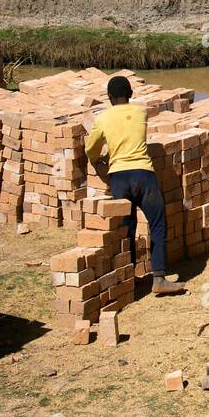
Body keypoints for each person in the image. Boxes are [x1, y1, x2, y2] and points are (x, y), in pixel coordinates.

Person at [84, 76, 185, 295]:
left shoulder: (102, 118)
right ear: (130, 94)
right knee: (157, 224)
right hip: (144, 174)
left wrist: (98, 159)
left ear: (109, 98)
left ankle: (128, 278)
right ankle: (159, 278)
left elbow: (90, 148)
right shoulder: (141, 112)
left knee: (126, 229)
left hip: (119, 178)